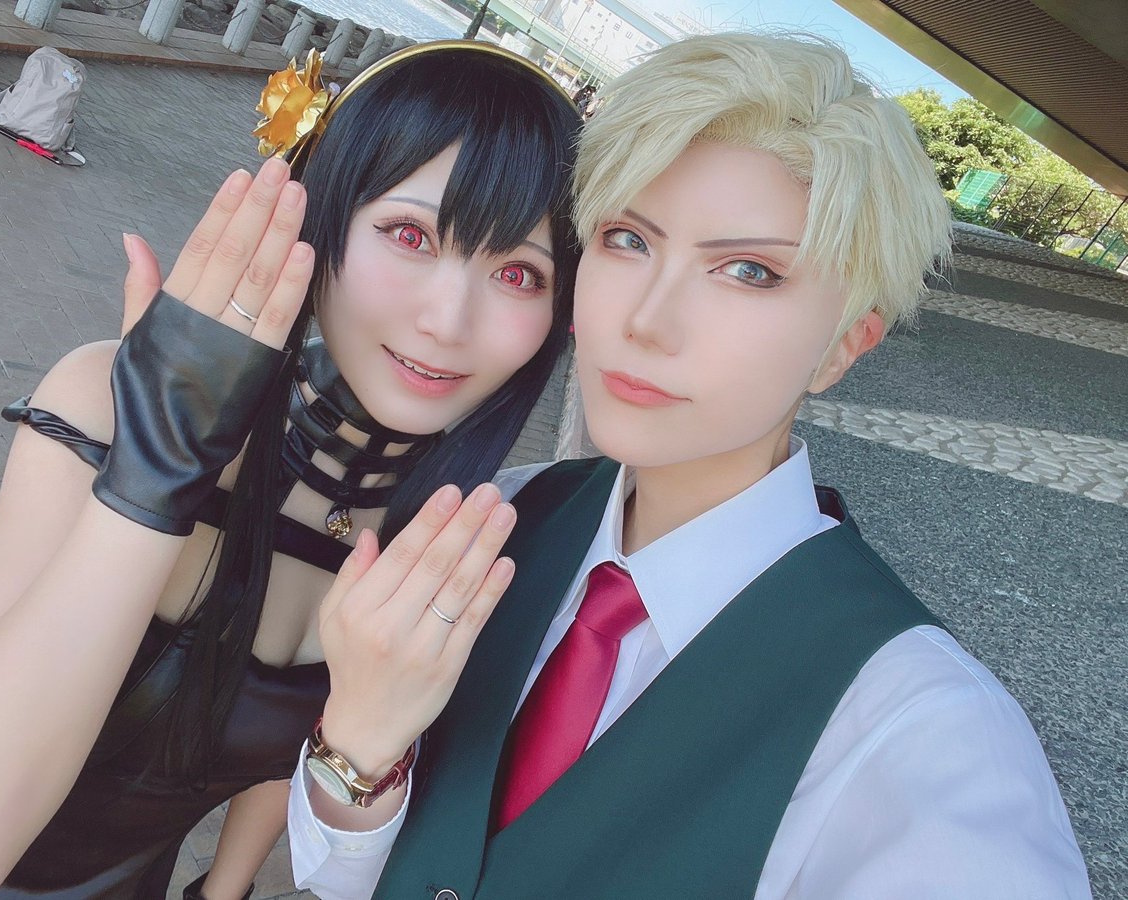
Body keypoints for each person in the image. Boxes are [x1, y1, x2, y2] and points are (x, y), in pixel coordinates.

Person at [284, 33, 1093, 898]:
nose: (648, 319)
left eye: (749, 271)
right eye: (627, 239)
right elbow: (340, 878)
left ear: (843, 346)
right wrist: (359, 748)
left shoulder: (922, 736)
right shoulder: (499, 523)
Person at [0, 41, 581, 899]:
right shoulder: (109, 407)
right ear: (321, 214)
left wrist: (223, 890)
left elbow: (289, 748)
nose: (448, 320)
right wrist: (151, 482)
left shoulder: (434, 534)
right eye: (410, 234)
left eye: (519, 273)